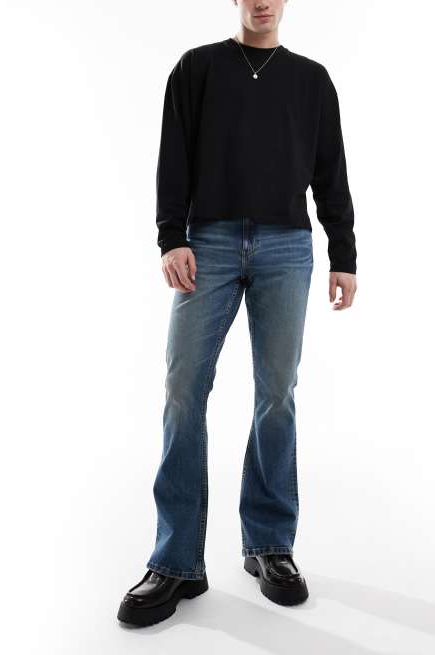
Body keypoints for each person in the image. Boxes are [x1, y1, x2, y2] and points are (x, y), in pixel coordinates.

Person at [117, 0, 357, 627]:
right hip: (210, 242)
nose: (261, 1)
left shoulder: (311, 80)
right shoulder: (197, 68)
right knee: (183, 388)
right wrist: (171, 237)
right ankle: (176, 562)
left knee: (277, 392)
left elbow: (331, 170)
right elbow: (174, 153)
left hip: (287, 246)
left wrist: (344, 253)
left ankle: (269, 545)